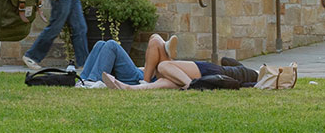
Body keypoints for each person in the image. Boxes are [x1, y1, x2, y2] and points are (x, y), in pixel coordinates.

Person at [97, 53, 259, 90]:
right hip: (216, 74)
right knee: (170, 80)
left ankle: (191, 85)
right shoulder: (250, 76)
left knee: (163, 66)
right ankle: (130, 88)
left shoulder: (251, 73)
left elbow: (225, 60)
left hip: (214, 70)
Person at [76, 34, 179, 88]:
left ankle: (93, 81)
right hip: (140, 73)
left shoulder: (170, 71)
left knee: (111, 45)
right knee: (100, 44)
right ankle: (83, 81)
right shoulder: (167, 65)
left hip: (139, 80)